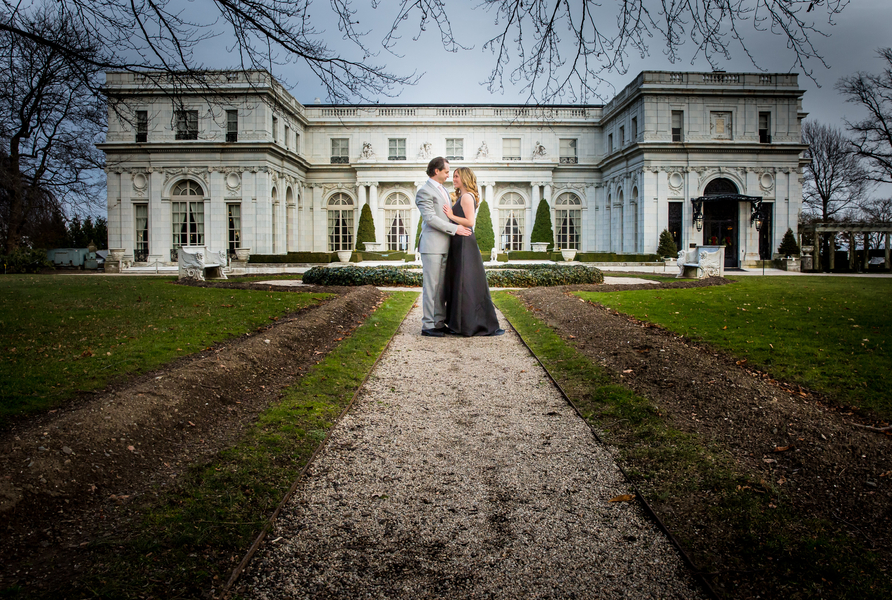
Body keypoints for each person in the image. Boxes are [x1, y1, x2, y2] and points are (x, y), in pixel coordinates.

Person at [441, 167, 505, 337]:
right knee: (460, 283)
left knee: (465, 284)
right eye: (453, 176)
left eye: (456, 176)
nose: (453, 178)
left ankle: (468, 325)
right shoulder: (462, 196)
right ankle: (459, 324)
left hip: (464, 242)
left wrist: (451, 216)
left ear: (465, 178)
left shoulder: (468, 196)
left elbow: (469, 221)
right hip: (458, 242)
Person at [415, 157, 472, 337]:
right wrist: (455, 229)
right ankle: (428, 325)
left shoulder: (445, 192)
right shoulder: (424, 191)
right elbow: (430, 219)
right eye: (447, 172)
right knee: (431, 287)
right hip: (432, 246)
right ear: (436, 171)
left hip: (446, 245)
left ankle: (439, 322)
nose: (449, 175)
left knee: (441, 288)